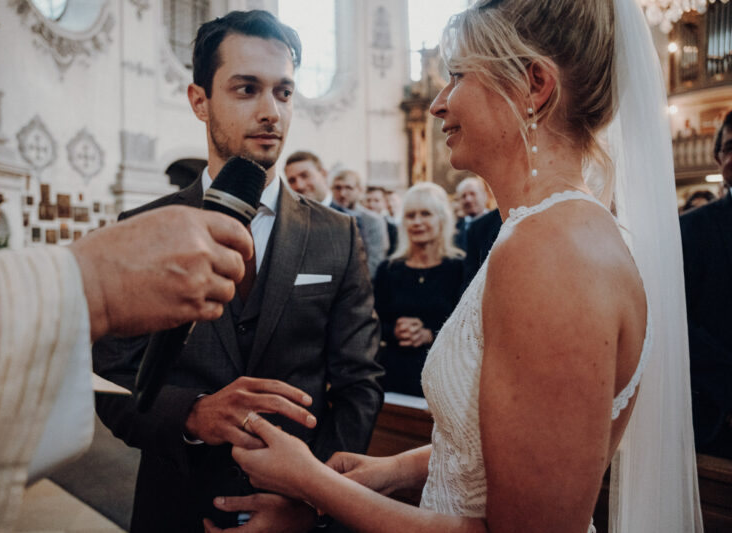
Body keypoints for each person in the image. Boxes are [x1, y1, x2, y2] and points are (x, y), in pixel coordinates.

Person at [227, 1, 702, 532]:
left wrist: (313, 484)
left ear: (534, 86)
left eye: (456, 76)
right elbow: (521, 445)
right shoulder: (546, 231)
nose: (437, 104)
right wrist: (390, 471)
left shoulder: (553, 253)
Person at [92, 11, 383, 533]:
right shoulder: (144, 229)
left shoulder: (335, 234)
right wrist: (192, 413)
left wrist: (315, 496)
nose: (271, 112)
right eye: (247, 89)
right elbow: (111, 382)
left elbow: (359, 383)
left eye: (284, 92)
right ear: (199, 100)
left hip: (296, 511)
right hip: (176, 507)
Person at [0, 205, 253, 532]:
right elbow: (114, 378)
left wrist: (293, 502)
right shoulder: (148, 218)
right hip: (172, 500)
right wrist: (92, 285)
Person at [373, 182, 466, 397]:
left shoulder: (459, 268)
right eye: (410, 215)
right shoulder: (388, 269)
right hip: (394, 376)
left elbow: (468, 328)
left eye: (425, 214)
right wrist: (394, 331)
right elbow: (373, 323)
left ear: (442, 219)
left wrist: (430, 335)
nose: (417, 222)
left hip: (445, 377)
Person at [680, 109, 732, 459]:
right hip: (717, 415)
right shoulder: (692, 229)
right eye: (731, 147)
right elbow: (680, 321)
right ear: (718, 159)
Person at [330, 169, 389, 277]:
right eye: (338, 188)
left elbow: (375, 261)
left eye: (348, 188)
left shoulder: (373, 221)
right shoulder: (324, 218)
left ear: (359, 190)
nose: (342, 194)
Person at [453, 176, 490, 252]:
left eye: (472, 194)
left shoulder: (499, 222)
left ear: (484, 196)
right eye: (463, 196)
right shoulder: (455, 229)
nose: (468, 200)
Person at [364, 186, 398, 256]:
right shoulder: (357, 224)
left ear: (384, 203)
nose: (371, 205)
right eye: (368, 200)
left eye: (376, 201)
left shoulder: (392, 229)